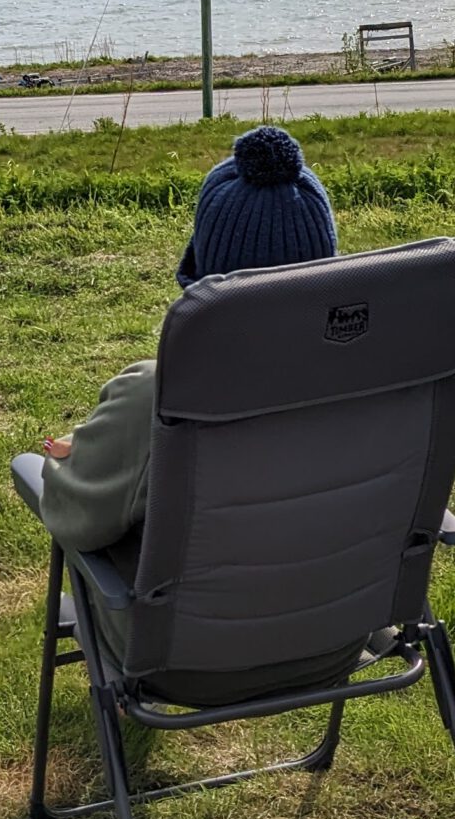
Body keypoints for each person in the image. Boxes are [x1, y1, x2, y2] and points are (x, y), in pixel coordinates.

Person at [35, 125, 337, 555]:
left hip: (202, 618)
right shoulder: (385, 375)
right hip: (357, 610)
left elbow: (79, 522)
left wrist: (77, 460)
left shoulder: (157, 397)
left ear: (201, 271)